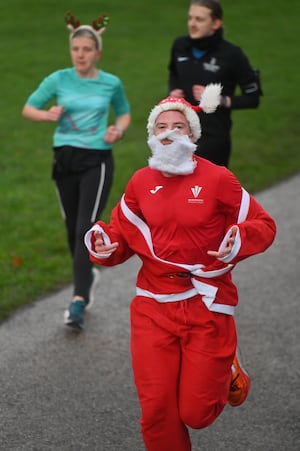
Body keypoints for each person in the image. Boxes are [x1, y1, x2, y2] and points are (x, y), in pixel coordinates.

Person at [84, 84, 276, 450]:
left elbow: (264, 226)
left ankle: (228, 369)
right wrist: (103, 245)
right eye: (161, 127)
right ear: (152, 137)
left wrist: (238, 238)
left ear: (193, 134)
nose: (169, 132)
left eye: (178, 126)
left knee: (196, 413)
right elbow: (120, 236)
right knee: (156, 410)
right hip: (153, 306)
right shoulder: (140, 183)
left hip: (206, 306)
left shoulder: (218, 178)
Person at [22, 11, 131, 330]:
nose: (80, 54)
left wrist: (118, 130)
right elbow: (28, 108)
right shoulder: (58, 79)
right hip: (64, 159)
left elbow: (123, 114)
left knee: (85, 226)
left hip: (96, 159)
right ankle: (89, 273)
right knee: (72, 229)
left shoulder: (111, 83)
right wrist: (46, 115)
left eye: (86, 49)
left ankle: (78, 300)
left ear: (98, 52)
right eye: (75, 49)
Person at [168, 0, 262, 167]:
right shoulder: (180, 45)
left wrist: (219, 100)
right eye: (190, 18)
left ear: (216, 23)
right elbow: (174, 72)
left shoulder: (232, 55)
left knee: (210, 192)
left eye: (199, 19)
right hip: (179, 135)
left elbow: (253, 98)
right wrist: (174, 90)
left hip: (213, 140)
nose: (192, 24)